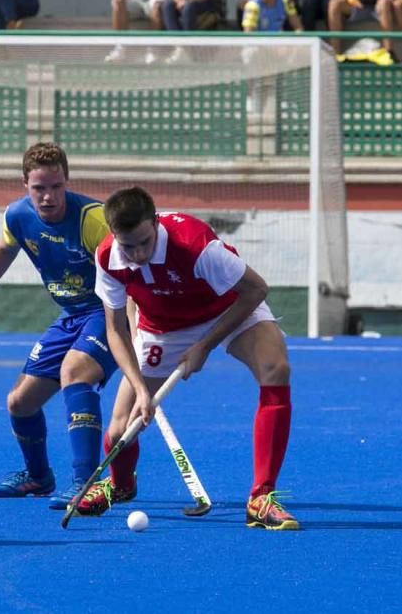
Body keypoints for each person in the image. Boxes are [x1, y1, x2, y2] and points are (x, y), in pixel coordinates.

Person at [75, 186, 299, 531]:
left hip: (224, 309)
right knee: (122, 426)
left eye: (144, 242)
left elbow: (256, 289)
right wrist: (140, 386)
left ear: (156, 223)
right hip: (161, 328)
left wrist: (206, 345)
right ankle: (119, 486)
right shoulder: (108, 257)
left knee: (276, 367)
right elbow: (116, 329)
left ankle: (261, 496)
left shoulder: (194, 245)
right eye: (127, 245)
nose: (136, 254)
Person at [0, 142, 118, 510]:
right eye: (39, 188)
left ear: (66, 181)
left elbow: (129, 277)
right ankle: (38, 476)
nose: (49, 196)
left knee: (75, 372)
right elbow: (5, 249)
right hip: (70, 316)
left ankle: (87, 482)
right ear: (25, 184)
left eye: (56, 186)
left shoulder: (94, 221)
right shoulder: (18, 216)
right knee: (20, 403)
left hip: (109, 312)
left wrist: (141, 332)